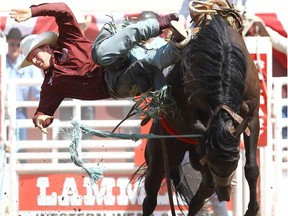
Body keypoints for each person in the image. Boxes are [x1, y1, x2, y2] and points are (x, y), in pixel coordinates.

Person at [9, 2, 188, 134]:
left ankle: (160, 23)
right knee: (145, 66)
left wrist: (33, 11)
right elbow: (43, 111)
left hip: (111, 52)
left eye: (35, 55)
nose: (35, 61)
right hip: (114, 83)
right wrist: (41, 118)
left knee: (101, 56)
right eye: (31, 60)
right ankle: (179, 44)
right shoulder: (51, 85)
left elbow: (62, 10)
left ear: (46, 47)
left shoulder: (69, 41)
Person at [5, 28, 42, 142]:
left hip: (20, 110)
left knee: (21, 144)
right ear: (7, 45)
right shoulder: (1, 62)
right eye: (12, 44)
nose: (14, 47)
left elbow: (38, 89)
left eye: (17, 44)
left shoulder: (29, 65)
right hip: (2, 109)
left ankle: (20, 158)